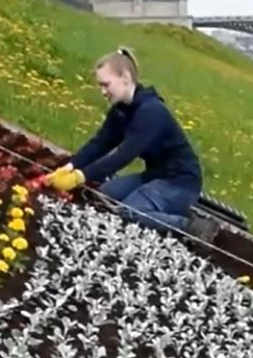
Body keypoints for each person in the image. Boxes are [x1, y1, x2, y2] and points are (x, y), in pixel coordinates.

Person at [45, 47, 205, 235]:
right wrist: (70, 166)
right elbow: (100, 143)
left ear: (126, 78)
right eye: (100, 86)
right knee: (105, 195)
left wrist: (81, 177)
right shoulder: (121, 111)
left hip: (180, 182)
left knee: (129, 212)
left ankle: (190, 227)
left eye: (106, 84)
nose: (103, 92)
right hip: (155, 175)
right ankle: (163, 207)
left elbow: (124, 154)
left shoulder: (151, 111)